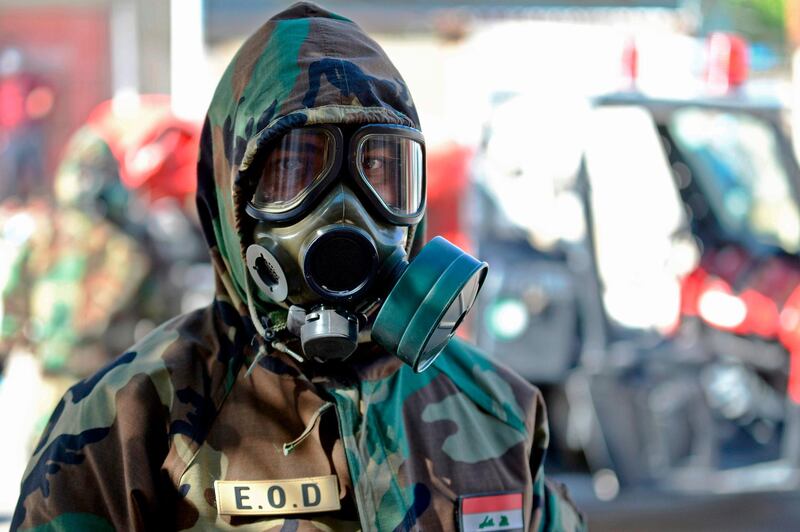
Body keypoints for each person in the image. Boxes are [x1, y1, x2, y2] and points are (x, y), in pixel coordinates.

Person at [12, 3, 584, 530]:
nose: (346, 209)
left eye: (381, 169)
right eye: (296, 171)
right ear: (232, 207)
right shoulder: (124, 431)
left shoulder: (499, 411)